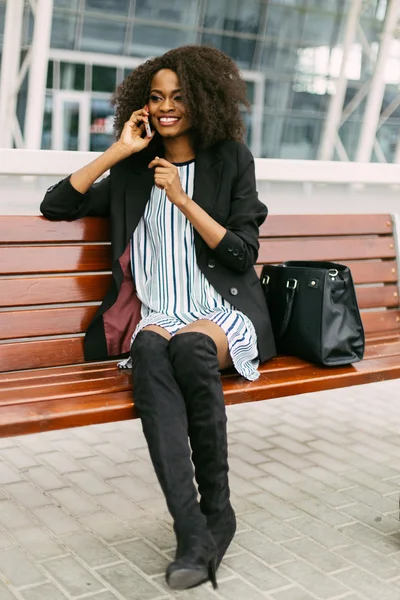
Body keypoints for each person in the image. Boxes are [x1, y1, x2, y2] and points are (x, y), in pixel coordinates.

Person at [41, 45, 276, 590]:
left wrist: (184, 198)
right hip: (159, 315)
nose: (167, 107)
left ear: (202, 101)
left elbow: (242, 253)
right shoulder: (132, 172)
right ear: (143, 104)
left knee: (191, 350)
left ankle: (218, 508)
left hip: (222, 310)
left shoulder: (230, 160)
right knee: (150, 348)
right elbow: (58, 204)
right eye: (156, 97)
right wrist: (118, 150)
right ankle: (193, 529)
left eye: (178, 97)